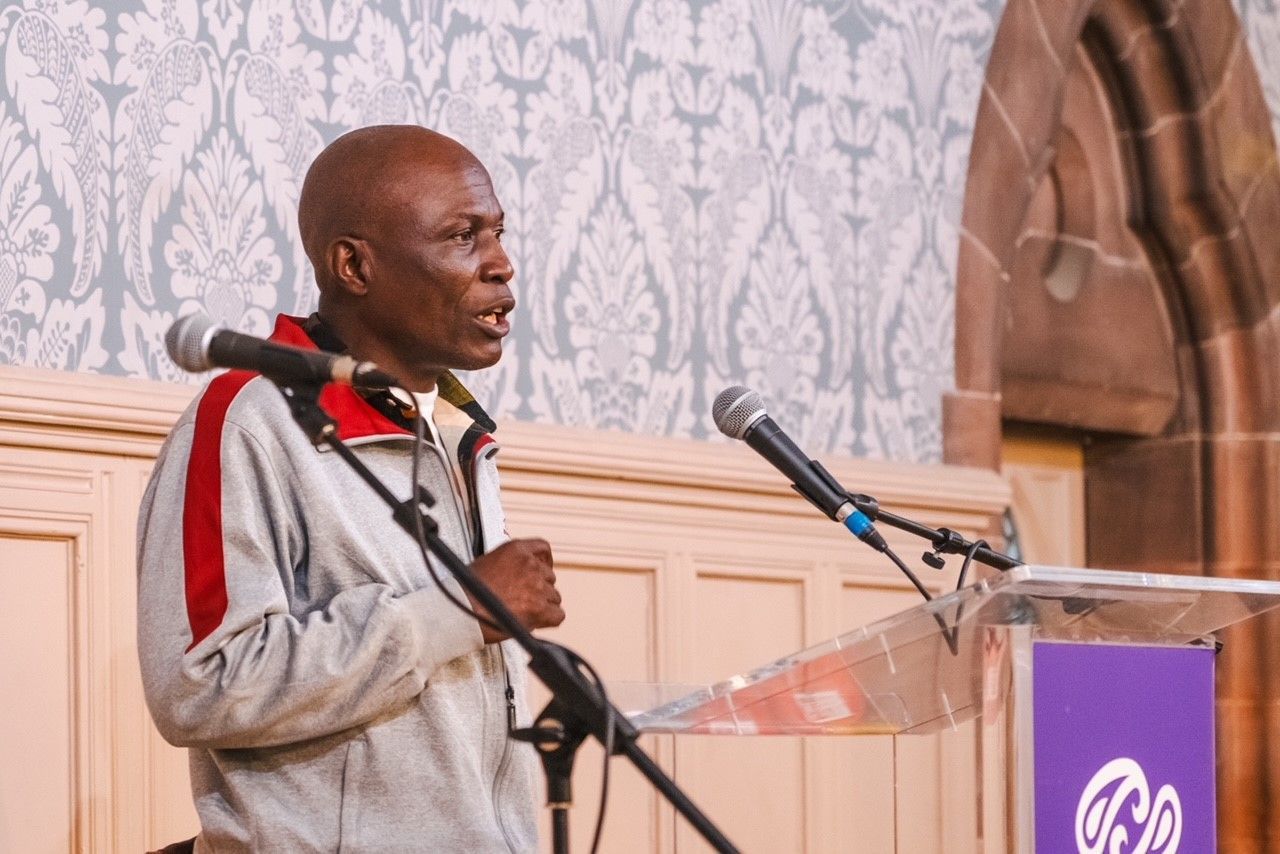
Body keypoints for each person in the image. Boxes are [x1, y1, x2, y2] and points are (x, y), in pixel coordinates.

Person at [137, 125, 565, 852]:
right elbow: (199, 683)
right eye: (463, 236)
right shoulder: (249, 419)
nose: (502, 264)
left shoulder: (455, 426)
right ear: (354, 266)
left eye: (498, 232)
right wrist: (458, 609)